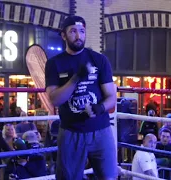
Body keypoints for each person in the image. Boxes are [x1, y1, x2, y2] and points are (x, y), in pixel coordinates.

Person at [45, 15, 117, 180]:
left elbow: (111, 97)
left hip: (101, 130)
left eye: (82, 31)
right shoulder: (55, 63)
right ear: (64, 35)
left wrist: (100, 108)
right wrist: (76, 78)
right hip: (71, 132)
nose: (78, 36)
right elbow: (55, 99)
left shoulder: (99, 60)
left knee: (109, 177)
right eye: (73, 31)